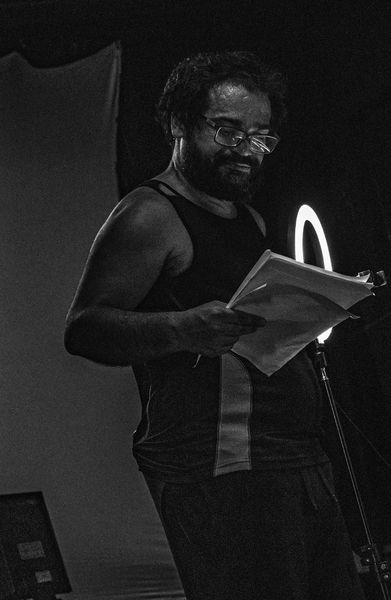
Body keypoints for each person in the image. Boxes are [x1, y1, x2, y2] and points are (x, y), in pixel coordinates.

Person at [64, 51, 364, 600]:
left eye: (261, 136)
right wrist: (182, 328)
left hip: (296, 457)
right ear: (180, 124)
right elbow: (83, 328)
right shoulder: (150, 214)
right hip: (225, 470)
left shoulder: (246, 217)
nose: (248, 150)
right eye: (229, 131)